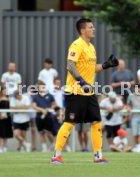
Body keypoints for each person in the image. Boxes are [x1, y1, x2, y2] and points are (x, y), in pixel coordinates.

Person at [51, 18, 119, 164]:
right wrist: (82, 82)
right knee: (70, 123)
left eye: (93, 27)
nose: (93, 29)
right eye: (90, 27)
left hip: (89, 92)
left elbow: (92, 69)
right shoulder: (77, 45)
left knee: (96, 122)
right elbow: (70, 65)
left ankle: (98, 156)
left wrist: (107, 65)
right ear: (83, 30)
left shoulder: (91, 47)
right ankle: (56, 156)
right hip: (75, 91)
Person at [32, 81, 57, 152]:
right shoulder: (35, 96)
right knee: (41, 132)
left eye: (43, 86)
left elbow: (54, 104)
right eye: (40, 86)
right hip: (39, 116)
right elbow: (34, 106)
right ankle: (44, 148)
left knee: (48, 132)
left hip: (48, 116)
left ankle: (54, 144)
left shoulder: (50, 95)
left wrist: (48, 109)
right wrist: (42, 110)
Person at [126, 84, 140, 153]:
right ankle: (136, 146)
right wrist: (129, 108)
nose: (139, 89)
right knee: (135, 133)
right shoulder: (131, 96)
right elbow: (128, 105)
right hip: (134, 116)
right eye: (137, 88)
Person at [0, 87, 13, 153]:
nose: (4, 92)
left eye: (5, 91)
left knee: (6, 132)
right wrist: (0, 115)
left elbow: (10, 108)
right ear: (1, 91)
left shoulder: (9, 98)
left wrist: (8, 114)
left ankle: (5, 147)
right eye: (3, 90)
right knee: (0, 132)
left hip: (7, 117)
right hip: (0, 118)